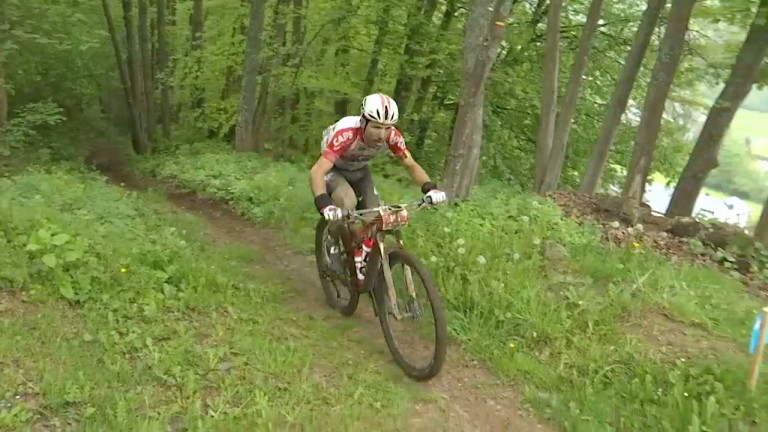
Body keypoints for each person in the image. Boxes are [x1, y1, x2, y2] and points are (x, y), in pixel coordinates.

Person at [309, 93, 446, 282]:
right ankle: (332, 243)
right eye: (375, 127)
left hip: (360, 171)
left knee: (373, 217)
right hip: (334, 170)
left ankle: (361, 257)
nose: (382, 135)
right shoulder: (347, 133)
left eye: (387, 127)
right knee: (346, 201)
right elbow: (317, 171)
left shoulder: (392, 137)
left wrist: (430, 188)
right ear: (363, 121)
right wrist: (324, 204)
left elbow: (411, 165)